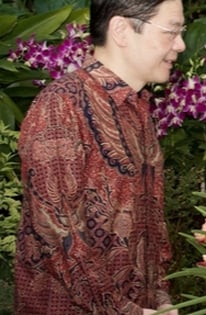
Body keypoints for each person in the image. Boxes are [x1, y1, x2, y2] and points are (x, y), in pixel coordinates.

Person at [13, 0, 185, 314]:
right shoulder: (61, 106)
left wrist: (160, 298)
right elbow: (57, 233)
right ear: (121, 29)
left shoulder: (138, 111)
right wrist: (123, 310)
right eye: (171, 31)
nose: (181, 44)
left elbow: (151, 227)